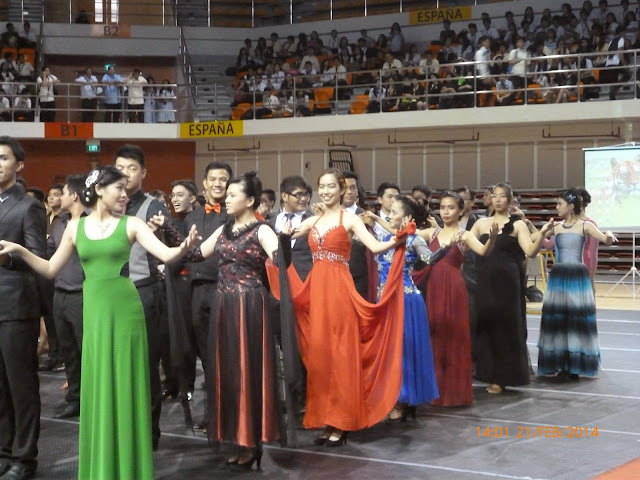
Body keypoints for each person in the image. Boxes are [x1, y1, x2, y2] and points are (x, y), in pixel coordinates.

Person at [0, 165, 198, 480]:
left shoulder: (132, 224)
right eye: (118, 187)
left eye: (125, 188)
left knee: (126, 385)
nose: (124, 194)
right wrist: (21, 250)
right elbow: (50, 269)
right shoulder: (75, 228)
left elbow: (166, 254)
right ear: (99, 190)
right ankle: (103, 466)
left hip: (125, 312)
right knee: (99, 384)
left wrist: (184, 247)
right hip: (94, 313)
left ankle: (130, 466)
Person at [275, 168, 409, 446]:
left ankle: (342, 422)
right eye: (322, 187)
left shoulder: (350, 219)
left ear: (341, 189)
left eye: (331, 187)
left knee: (341, 357)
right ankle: (328, 419)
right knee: (321, 359)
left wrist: (400, 239)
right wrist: (283, 236)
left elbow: (374, 246)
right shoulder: (312, 220)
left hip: (340, 293)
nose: (325, 191)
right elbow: (284, 240)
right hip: (317, 292)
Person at [172, 172, 279, 469]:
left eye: (233, 195)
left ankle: (251, 443)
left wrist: (283, 243)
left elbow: (280, 260)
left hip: (248, 306)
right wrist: (172, 230)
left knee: (246, 373)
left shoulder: (262, 230)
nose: (227, 199)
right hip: (223, 304)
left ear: (250, 200)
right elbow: (197, 255)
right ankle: (236, 439)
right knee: (226, 374)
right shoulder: (225, 229)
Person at [416, 192, 498, 406]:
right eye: (442, 207)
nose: (445, 212)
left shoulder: (465, 235)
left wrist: (492, 238)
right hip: (434, 287)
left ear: (460, 210)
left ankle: (454, 392)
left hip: (453, 288)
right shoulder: (432, 232)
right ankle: (436, 390)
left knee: (453, 336)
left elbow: (483, 251)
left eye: (451, 207)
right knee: (435, 334)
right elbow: (406, 233)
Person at [472, 183, 554, 394]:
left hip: (507, 282)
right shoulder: (480, 223)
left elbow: (530, 251)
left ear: (509, 200)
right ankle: (485, 373)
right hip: (484, 279)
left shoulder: (517, 225)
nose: (498, 199)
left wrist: (542, 233)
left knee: (505, 328)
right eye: (495, 195)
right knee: (485, 325)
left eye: (502, 196)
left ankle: (501, 377)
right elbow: (465, 244)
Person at [114, 144, 170, 450]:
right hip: (111, 294)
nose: (125, 174)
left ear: (143, 173)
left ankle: (149, 433)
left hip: (143, 291)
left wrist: (162, 232)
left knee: (146, 365)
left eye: (132, 168)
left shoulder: (153, 207)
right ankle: (120, 429)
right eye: (119, 168)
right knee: (116, 366)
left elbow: (169, 249)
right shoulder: (105, 205)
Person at [0, 136, 46, 480]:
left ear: (19, 165)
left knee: (22, 388)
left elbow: (38, 258)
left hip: (17, 307)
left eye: (3, 158)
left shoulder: (28, 206)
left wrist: (9, 258)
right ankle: (4, 451)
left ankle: (24, 457)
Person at [537, 189, 617, 379]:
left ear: (571, 206)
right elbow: (539, 242)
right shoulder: (556, 227)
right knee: (559, 320)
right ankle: (561, 363)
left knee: (575, 319)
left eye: (560, 204)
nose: (556, 207)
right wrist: (536, 228)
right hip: (559, 276)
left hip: (576, 276)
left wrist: (608, 234)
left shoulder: (585, 225)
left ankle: (574, 365)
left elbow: (604, 239)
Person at [373, 196, 439, 420]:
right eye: (389, 211)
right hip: (385, 301)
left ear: (408, 217)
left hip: (405, 300)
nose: (389, 215)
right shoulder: (385, 238)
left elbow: (429, 259)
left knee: (404, 350)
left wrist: (445, 248)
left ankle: (402, 399)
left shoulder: (414, 239)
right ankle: (392, 397)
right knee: (388, 351)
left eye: (394, 212)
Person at [182, 161, 231, 430]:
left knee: (224, 354)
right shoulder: (191, 217)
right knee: (205, 355)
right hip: (197, 291)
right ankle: (213, 410)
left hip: (224, 289)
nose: (218, 184)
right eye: (213, 179)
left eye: (223, 179)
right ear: (204, 183)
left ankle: (227, 412)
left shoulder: (234, 215)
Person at [47, 174, 87, 420]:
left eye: (62, 193)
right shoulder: (59, 223)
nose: (59, 197)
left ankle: (92, 401)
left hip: (82, 295)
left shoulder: (92, 222)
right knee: (68, 351)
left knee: (87, 352)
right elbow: (48, 255)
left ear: (74, 195)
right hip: (59, 294)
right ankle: (75, 399)